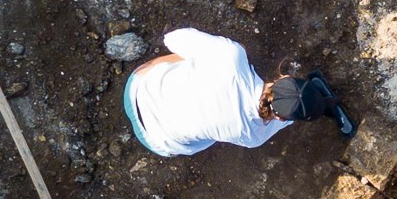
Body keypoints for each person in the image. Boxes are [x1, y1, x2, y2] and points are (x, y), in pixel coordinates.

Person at [123, 28, 355, 158]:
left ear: (283, 77)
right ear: (283, 118)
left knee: (199, 57)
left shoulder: (230, 55)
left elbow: (171, 38)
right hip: (155, 141)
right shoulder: (252, 135)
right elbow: (280, 118)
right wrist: (322, 106)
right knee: (208, 133)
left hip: (136, 89)